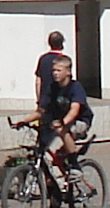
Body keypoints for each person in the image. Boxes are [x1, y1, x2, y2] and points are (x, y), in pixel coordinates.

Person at [9, 50, 92, 181]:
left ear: (68, 72)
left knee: (61, 130)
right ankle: (57, 189)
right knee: (47, 152)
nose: (55, 73)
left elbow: (74, 110)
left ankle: (75, 166)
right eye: (53, 70)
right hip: (59, 123)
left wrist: (63, 122)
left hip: (80, 122)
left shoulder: (75, 87)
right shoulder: (52, 88)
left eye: (59, 70)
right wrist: (23, 122)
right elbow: (40, 111)